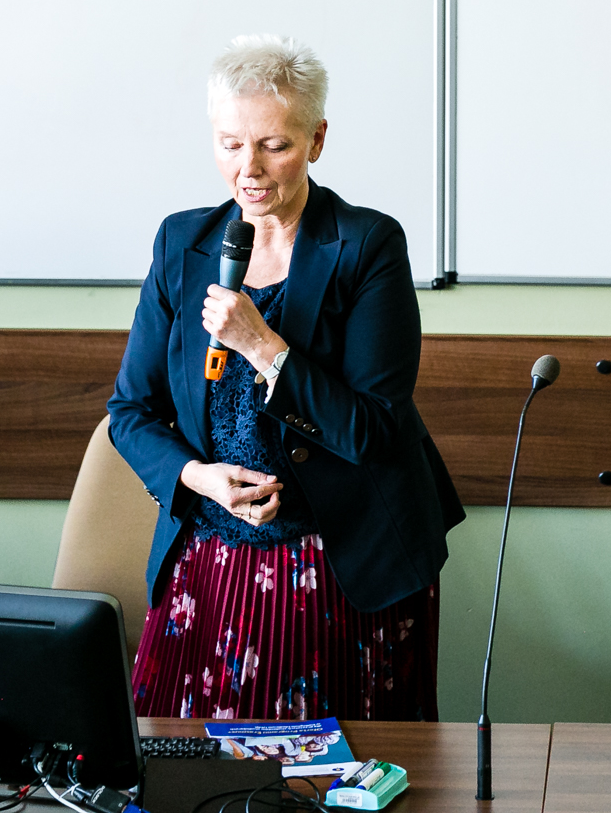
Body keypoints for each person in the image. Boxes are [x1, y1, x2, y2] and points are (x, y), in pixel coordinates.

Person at [108, 35, 465, 721]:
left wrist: (263, 347)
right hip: (210, 553)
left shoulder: (367, 245)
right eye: (230, 144)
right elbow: (131, 411)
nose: (249, 169)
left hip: (343, 560)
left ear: (317, 140)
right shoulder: (181, 243)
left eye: (274, 145)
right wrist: (199, 478)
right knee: (186, 758)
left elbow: (372, 428)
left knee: (338, 766)